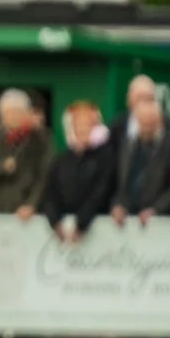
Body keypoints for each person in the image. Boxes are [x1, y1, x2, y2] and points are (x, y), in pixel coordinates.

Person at [32, 99, 115, 239]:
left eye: (88, 125)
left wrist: (81, 224)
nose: (82, 129)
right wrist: (54, 220)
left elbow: (101, 192)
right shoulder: (61, 159)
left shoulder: (106, 157)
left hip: (97, 230)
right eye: (78, 125)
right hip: (64, 230)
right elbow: (50, 191)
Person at [112, 84, 170, 222]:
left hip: (162, 221)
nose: (146, 129)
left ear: (159, 121)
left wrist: (156, 210)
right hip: (130, 217)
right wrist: (118, 205)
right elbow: (121, 181)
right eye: (143, 125)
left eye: (151, 125)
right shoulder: (129, 144)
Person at [0, 89, 51, 213]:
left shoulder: (41, 139)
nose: (13, 117)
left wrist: (31, 204)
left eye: (18, 113)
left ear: (27, 113)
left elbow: (44, 176)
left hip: (30, 208)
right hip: (0, 207)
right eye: (8, 114)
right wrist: (1, 166)